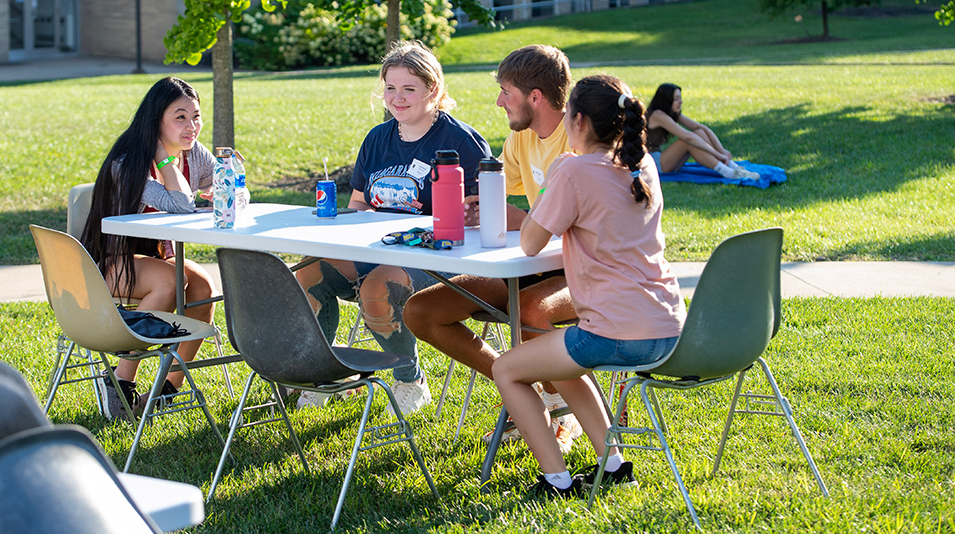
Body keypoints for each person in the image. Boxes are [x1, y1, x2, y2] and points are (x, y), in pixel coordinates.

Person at [492, 74, 686, 498]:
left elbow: (529, 243)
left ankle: (555, 480)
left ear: (576, 121)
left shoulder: (575, 170)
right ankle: (613, 465)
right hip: (669, 328)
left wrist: (553, 176)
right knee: (558, 359)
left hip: (616, 334)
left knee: (506, 369)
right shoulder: (642, 163)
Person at [293, 40, 491, 415]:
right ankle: (328, 374)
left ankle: (409, 380)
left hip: (441, 258)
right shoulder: (377, 138)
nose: (397, 98)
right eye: (390, 88)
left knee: (377, 288)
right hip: (375, 249)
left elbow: (486, 209)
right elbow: (358, 202)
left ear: (433, 90)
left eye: (409, 89)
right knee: (308, 271)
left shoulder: (460, 141)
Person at [404, 44, 584, 451]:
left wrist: (511, 217)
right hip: (529, 264)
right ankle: (527, 395)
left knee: (532, 311)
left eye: (506, 91)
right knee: (422, 311)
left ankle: (563, 409)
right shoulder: (521, 140)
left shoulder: (578, 141)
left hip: (577, 270)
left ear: (534, 97)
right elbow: (500, 194)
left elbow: (573, 228)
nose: (499, 100)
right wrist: (475, 205)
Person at [81, 76, 219, 421]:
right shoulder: (128, 162)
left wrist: (230, 184)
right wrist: (165, 163)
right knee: (171, 282)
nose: (192, 127)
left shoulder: (196, 155)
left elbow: (237, 191)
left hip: (153, 260)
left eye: (197, 116)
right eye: (180, 117)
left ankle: (166, 389)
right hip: (105, 264)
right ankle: (118, 383)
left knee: (202, 287)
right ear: (156, 119)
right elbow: (182, 205)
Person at [645, 82, 759, 180]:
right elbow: (687, 137)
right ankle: (729, 173)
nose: (681, 102)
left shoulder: (672, 113)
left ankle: (733, 167)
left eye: (680, 98)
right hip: (653, 165)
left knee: (698, 133)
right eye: (676, 99)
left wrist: (722, 151)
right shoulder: (657, 115)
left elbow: (701, 128)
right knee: (686, 141)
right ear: (666, 100)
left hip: (662, 162)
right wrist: (717, 154)